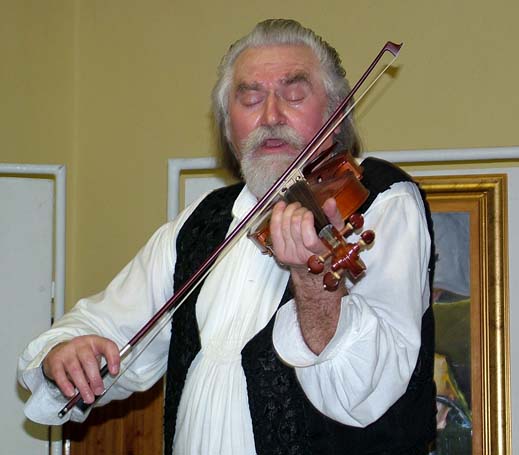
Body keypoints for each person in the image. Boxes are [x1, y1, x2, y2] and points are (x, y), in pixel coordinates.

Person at [18, 19, 437, 455]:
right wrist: (63, 355)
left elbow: (368, 395)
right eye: (250, 98)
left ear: (335, 116)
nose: (270, 116)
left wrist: (315, 287)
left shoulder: (380, 202)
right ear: (228, 127)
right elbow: (102, 327)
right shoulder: (201, 222)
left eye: (294, 94)